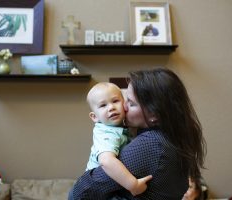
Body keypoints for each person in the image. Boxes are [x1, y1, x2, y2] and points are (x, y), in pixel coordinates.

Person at [68, 68, 206, 200]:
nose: (123, 107)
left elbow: (80, 193)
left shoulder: (151, 144)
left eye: (131, 103)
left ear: (154, 114)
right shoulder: (175, 137)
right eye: (126, 99)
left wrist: (133, 185)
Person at [85, 82, 152, 196]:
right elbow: (106, 161)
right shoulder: (107, 133)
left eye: (115, 101)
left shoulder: (120, 125)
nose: (111, 107)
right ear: (94, 117)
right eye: (103, 105)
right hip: (96, 191)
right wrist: (133, 185)